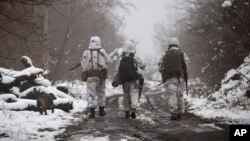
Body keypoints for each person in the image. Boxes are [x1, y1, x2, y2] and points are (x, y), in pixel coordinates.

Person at [158, 37, 190, 120]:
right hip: (181, 78)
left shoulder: (165, 54)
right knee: (180, 94)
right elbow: (187, 65)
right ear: (177, 44)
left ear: (169, 44)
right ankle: (181, 112)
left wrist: (164, 73)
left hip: (170, 78)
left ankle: (174, 112)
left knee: (172, 95)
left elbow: (160, 67)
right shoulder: (182, 53)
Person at [113, 40, 146, 119]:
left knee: (126, 95)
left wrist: (115, 78)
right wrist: (143, 65)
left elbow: (117, 69)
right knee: (134, 93)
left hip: (124, 79)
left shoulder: (122, 58)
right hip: (134, 79)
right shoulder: (134, 56)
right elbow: (143, 66)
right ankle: (133, 109)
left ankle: (127, 111)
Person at [81, 36, 112, 119]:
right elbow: (109, 61)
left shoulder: (86, 52)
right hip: (101, 76)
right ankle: (101, 111)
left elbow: (83, 64)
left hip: (90, 77)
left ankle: (92, 112)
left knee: (91, 94)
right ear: (99, 42)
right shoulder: (102, 51)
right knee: (101, 93)